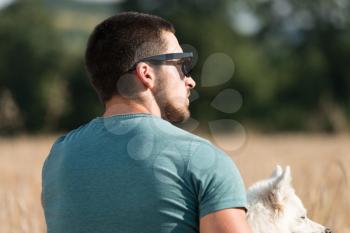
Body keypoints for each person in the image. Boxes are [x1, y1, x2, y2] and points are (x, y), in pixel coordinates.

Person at [42, 12, 252, 233]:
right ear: (146, 73)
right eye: (181, 65)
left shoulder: (59, 156)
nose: (190, 80)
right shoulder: (203, 160)